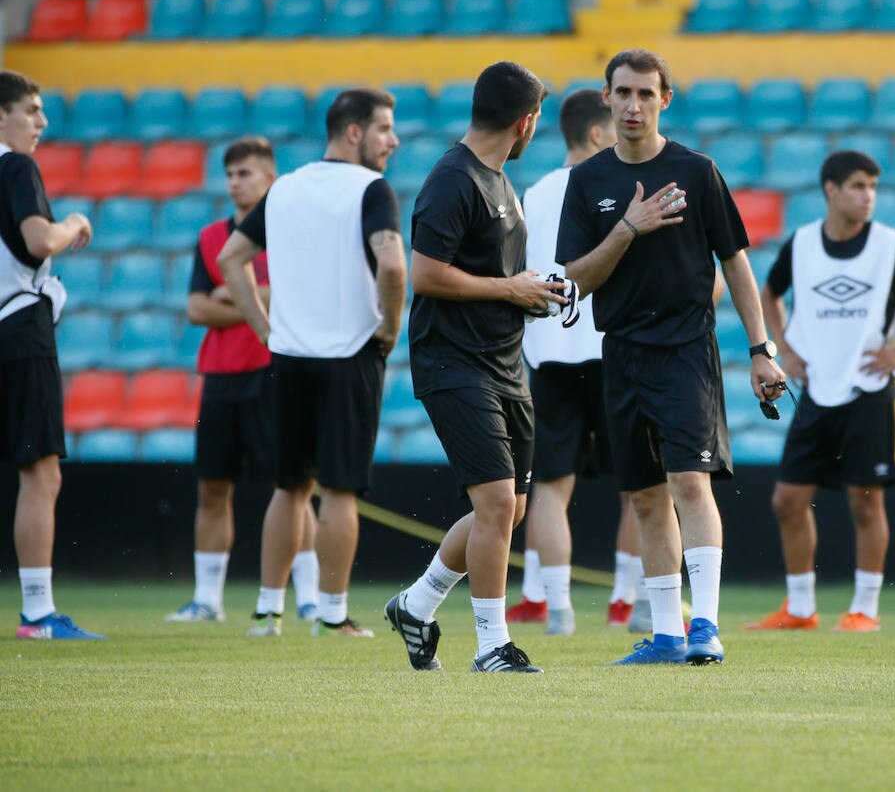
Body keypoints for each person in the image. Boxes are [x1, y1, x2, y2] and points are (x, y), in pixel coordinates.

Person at [558, 48, 786, 666]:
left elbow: (736, 261)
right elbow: (575, 278)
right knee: (646, 496)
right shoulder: (588, 181)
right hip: (622, 351)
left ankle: (706, 626)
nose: (634, 105)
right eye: (623, 93)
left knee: (690, 479)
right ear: (606, 98)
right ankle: (666, 636)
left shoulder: (697, 170)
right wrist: (628, 228)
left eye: (646, 94)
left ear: (665, 100)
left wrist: (761, 349)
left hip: (686, 349)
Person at [384, 61, 565, 674]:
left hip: (504, 362)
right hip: (454, 362)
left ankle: (417, 603)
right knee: (494, 505)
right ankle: (492, 645)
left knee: (509, 510)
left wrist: (529, 296)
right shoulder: (453, 179)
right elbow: (427, 275)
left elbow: (494, 281)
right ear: (526, 120)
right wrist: (510, 289)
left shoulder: (500, 182)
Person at [218, 88, 407, 638]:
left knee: (289, 488)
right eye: (383, 129)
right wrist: (390, 328)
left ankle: (267, 611)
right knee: (341, 492)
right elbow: (393, 266)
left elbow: (232, 258)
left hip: (290, 356)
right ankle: (331, 614)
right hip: (350, 355)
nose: (392, 140)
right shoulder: (372, 189)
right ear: (354, 132)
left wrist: (261, 326)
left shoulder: (285, 189)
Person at [745, 151, 895, 633]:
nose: (868, 196)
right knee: (787, 501)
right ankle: (800, 608)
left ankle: (865, 609)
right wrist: (784, 351)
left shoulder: (887, 245)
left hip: (868, 390)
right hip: (816, 390)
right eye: (859, 186)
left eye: (873, 188)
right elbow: (768, 295)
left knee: (866, 502)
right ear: (830, 190)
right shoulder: (801, 244)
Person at [166, 137, 319, 623]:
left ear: (270, 179)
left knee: (293, 488)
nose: (236, 182)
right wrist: (254, 296)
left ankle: (311, 596)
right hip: (221, 378)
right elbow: (194, 308)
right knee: (213, 489)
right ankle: (207, 600)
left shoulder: (290, 232)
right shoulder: (211, 237)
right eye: (230, 174)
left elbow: (294, 293)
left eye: (246, 173)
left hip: (275, 374)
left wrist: (230, 292)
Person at [505, 88, 640, 636]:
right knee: (639, 486)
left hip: (550, 356)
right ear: (595, 133)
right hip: (611, 350)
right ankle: (626, 603)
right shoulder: (615, 187)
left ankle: (554, 606)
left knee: (552, 487)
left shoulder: (529, 196)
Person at [0, 69, 103, 640]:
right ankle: (37, 613)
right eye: (31, 110)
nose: (42, 122)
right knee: (40, 472)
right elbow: (39, 240)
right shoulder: (14, 165)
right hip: (19, 331)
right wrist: (73, 223)